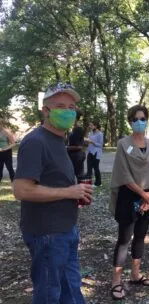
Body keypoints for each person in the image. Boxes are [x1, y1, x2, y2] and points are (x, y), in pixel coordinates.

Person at [12, 82, 93, 303]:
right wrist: (69, 192)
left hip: (65, 230)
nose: (68, 111)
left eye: (71, 106)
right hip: (47, 234)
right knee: (49, 294)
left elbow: (53, 181)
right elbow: (21, 189)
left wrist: (76, 195)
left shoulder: (58, 139)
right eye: (60, 106)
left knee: (72, 291)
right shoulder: (35, 141)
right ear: (45, 110)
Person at [109, 105, 149, 300]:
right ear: (130, 122)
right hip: (129, 197)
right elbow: (123, 174)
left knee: (140, 237)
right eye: (135, 119)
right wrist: (143, 195)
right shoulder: (123, 144)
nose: (139, 122)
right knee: (124, 240)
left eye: (142, 118)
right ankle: (116, 280)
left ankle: (135, 274)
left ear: (147, 120)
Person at [67, 109, 86, 177]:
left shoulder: (79, 129)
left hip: (77, 156)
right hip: (71, 155)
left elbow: (80, 146)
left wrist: (67, 147)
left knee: (79, 177)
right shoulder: (72, 128)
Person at [86, 121, 103, 187]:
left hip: (96, 153)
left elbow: (100, 145)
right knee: (89, 168)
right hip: (90, 152)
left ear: (95, 126)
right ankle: (88, 182)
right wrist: (87, 141)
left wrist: (92, 142)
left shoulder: (100, 134)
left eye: (91, 125)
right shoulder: (91, 133)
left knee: (96, 168)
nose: (90, 126)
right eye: (89, 125)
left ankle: (98, 183)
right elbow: (89, 142)